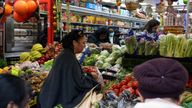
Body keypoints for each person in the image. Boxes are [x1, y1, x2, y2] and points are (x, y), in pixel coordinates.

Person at [39, 30, 102, 108]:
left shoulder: (65, 54)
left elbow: (69, 74)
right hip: (59, 100)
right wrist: (92, 77)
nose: (84, 46)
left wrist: (80, 70)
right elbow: (80, 83)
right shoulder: (69, 58)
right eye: (83, 43)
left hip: (48, 96)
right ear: (74, 43)